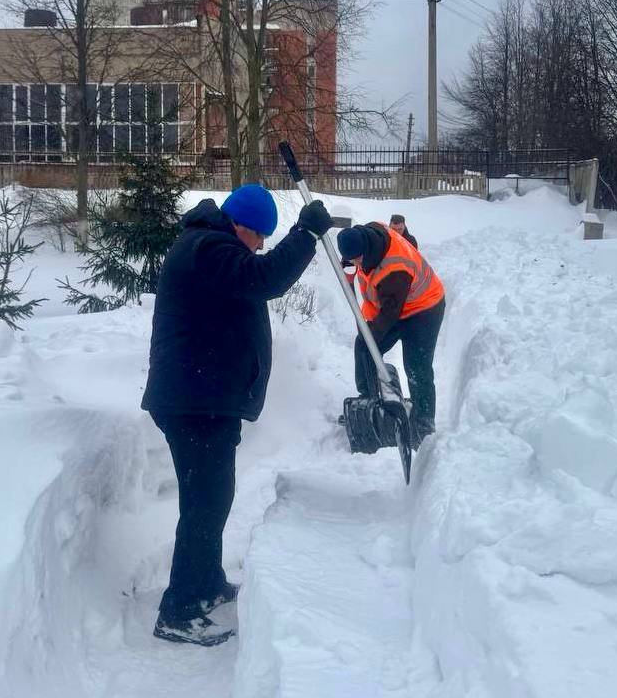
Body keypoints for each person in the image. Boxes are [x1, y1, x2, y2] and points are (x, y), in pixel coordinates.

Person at [141, 184, 333, 647]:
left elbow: (252, 278)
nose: (261, 245)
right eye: (259, 235)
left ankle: (205, 583)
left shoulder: (211, 246)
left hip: (204, 399)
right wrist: (304, 234)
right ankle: (180, 610)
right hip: (193, 401)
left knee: (213, 498)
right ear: (240, 224)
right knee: (203, 504)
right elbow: (262, 279)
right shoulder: (207, 247)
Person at [337, 221, 444, 441]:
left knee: (416, 366)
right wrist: (368, 339)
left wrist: (372, 335)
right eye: (352, 260)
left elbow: (389, 314)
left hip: (424, 307)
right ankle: (368, 401)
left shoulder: (395, 269)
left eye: (358, 259)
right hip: (394, 303)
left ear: (366, 250)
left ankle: (424, 424)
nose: (356, 264)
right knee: (364, 346)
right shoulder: (368, 235)